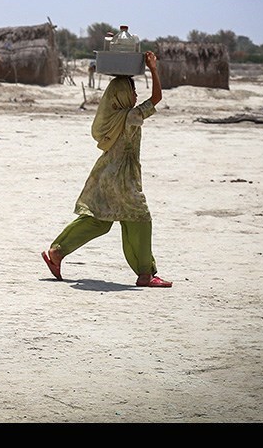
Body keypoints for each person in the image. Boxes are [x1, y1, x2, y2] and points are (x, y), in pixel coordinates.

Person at [41, 51, 172, 288]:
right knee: (140, 220)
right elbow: (156, 98)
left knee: (98, 220)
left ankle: (57, 252)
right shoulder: (131, 116)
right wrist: (153, 69)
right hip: (123, 180)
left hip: (103, 174)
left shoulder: (110, 116)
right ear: (121, 95)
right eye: (132, 91)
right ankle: (145, 274)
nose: (134, 95)